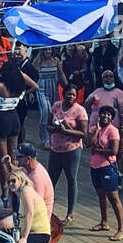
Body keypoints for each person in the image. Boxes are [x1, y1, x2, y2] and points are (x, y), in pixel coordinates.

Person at [44, 83, 87, 223]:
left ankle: (70, 213)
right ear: (64, 94)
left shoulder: (80, 110)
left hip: (71, 150)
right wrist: (55, 128)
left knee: (71, 179)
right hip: (55, 148)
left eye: (74, 95)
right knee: (51, 180)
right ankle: (46, 210)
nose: (71, 97)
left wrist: (67, 130)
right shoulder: (56, 106)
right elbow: (48, 124)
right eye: (68, 94)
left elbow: (83, 133)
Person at [88, 104, 123, 240]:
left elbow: (114, 151)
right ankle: (104, 222)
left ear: (112, 118)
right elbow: (87, 143)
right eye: (103, 114)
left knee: (114, 198)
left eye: (108, 115)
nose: (105, 116)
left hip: (108, 167)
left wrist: (97, 150)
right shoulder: (94, 128)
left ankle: (121, 229)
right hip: (95, 166)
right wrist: (96, 131)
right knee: (101, 195)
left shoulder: (113, 131)